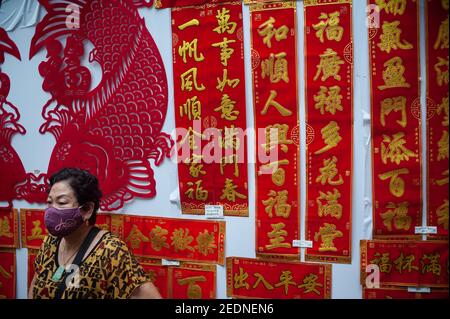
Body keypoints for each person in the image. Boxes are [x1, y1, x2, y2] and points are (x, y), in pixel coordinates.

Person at [29, 167, 162, 299]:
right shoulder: (49, 243)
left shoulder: (110, 250)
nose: (52, 210)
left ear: (87, 210)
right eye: (49, 202)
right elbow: (35, 289)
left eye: (62, 202)